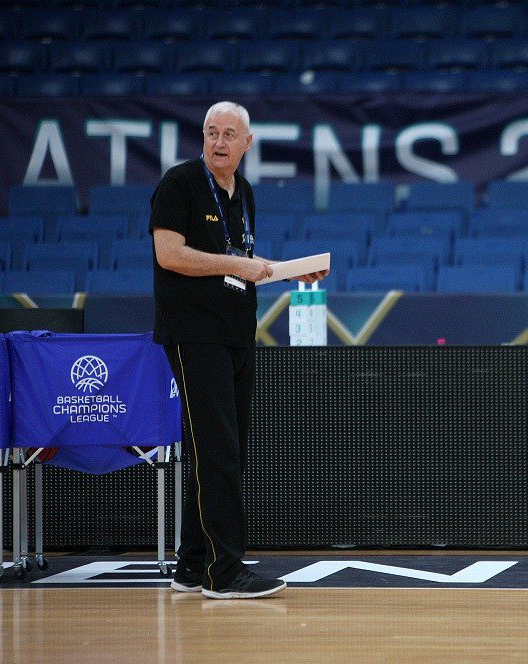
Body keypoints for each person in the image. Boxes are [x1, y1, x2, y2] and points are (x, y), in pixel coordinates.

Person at [150, 101, 327, 600]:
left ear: (247, 143)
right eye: (212, 132)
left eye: (230, 134)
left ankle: (192, 566)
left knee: (220, 450)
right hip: (195, 333)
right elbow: (170, 255)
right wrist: (238, 264)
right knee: (219, 451)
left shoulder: (243, 192)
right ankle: (225, 573)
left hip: (235, 334)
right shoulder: (180, 183)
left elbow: (241, 260)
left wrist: (290, 272)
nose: (219, 141)